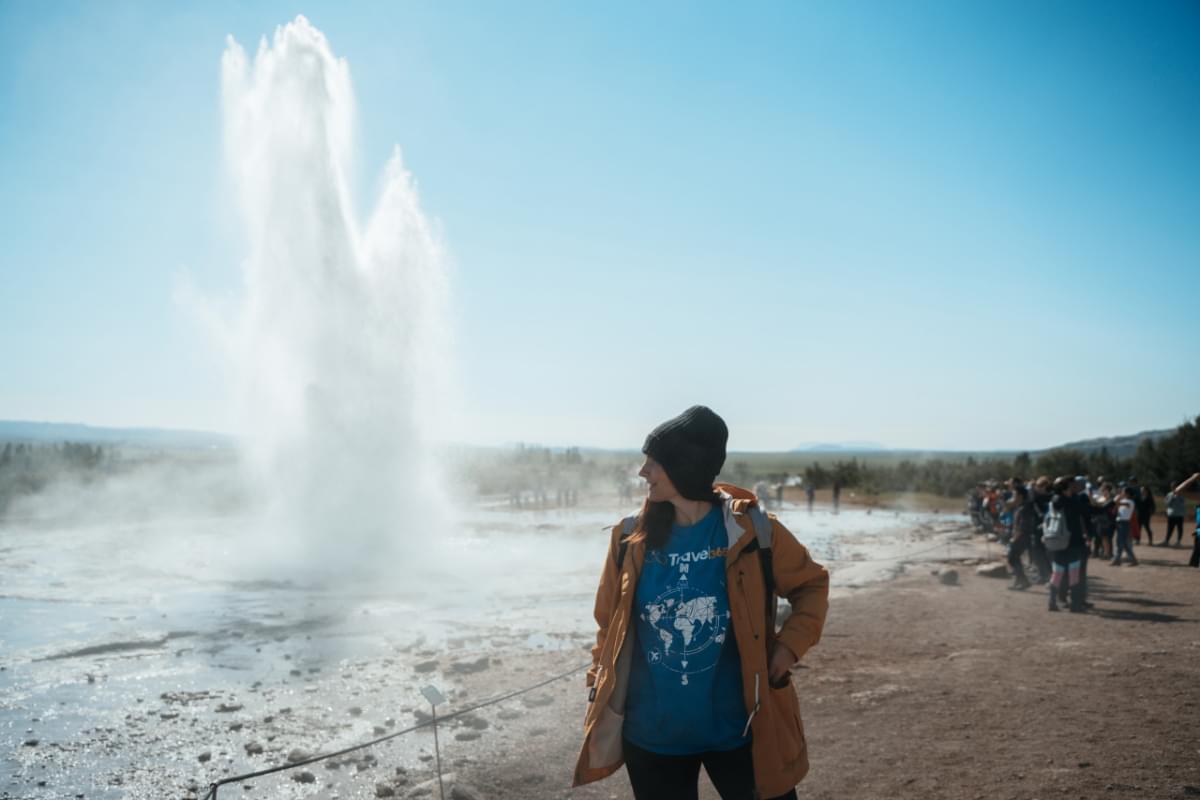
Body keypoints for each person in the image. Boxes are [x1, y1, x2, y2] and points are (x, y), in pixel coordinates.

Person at [575, 406, 830, 800]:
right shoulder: (630, 536)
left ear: (686, 467)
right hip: (652, 736)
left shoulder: (752, 530)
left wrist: (789, 647)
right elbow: (609, 622)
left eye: (654, 462)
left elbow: (811, 585)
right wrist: (599, 681)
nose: (643, 472)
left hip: (741, 728)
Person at [1047, 476, 1089, 612]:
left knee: (1057, 573)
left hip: (1057, 541)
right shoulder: (1070, 501)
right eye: (1073, 485)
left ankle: (1052, 601)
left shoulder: (1055, 500)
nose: (1075, 487)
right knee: (1074, 573)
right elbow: (1085, 512)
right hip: (1073, 542)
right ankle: (1075, 605)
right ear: (1067, 487)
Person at [1006, 484, 1037, 591]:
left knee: (1012, 558)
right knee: (1014, 558)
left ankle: (1023, 581)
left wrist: (1014, 538)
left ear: (1020, 496)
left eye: (1014, 494)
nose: (1013, 497)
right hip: (1020, 536)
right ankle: (1019, 581)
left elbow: (1023, 526)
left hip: (1022, 537)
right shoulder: (1020, 506)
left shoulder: (1025, 508)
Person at [1164, 474, 1196, 546]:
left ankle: (1178, 542)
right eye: (1172, 486)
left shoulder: (1182, 495)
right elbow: (1167, 503)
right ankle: (1166, 541)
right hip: (1171, 514)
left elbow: (1183, 504)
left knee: (1180, 529)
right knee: (1170, 529)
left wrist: (1179, 496)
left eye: (1175, 486)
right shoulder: (1169, 494)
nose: (1174, 488)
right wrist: (1172, 497)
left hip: (1179, 514)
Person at [1113, 486, 1139, 567]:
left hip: (1125, 523)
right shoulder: (1124, 500)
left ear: (1127, 493)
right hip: (1120, 522)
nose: (1122, 493)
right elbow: (1116, 506)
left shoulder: (1130, 502)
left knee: (1122, 542)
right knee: (1120, 542)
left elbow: (1116, 502)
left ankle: (1119, 559)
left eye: (1123, 492)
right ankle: (1120, 559)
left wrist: (1119, 496)